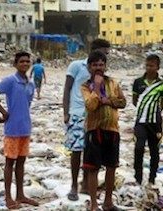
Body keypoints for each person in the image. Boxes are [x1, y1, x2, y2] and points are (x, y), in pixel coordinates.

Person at [0, 52, 39, 209]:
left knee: (22, 162)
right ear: (16, 64)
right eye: (21, 61)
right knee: (10, 162)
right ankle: (9, 197)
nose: (25, 64)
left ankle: (21, 194)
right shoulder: (10, 81)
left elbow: (26, 104)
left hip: (25, 127)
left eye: (27, 61)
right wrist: (4, 112)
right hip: (12, 129)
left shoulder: (30, 84)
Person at [62, 38, 111, 201]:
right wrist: (66, 112)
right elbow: (67, 88)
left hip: (94, 117)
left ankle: (85, 183)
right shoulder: (76, 66)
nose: (104, 58)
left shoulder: (102, 73)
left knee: (91, 153)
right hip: (77, 114)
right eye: (103, 53)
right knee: (76, 151)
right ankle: (74, 185)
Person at [81, 50, 126, 211]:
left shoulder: (113, 83)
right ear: (89, 67)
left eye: (101, 64)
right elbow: (91, 105)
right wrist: (97, 87)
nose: (98, 68)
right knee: (93, 168)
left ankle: (108, 202)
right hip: (95, 130)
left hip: (112, 130)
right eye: (95, 65)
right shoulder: (86, 86)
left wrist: (108, 101)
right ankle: (93, 204)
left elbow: (123, 102)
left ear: (105, 66)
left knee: (111, 166)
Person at [132, 55, 163, 185]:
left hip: (155, 123)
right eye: (147, 65)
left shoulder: (162, 84)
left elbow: (162, 104)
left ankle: (152, 178)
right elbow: (135, 100)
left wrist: (153, 111)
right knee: (139, 148)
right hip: (140, 122)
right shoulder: (138, 82)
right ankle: (138, 177)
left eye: (152, 65)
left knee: (154, 151)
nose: (149, 68)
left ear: (158, 67)